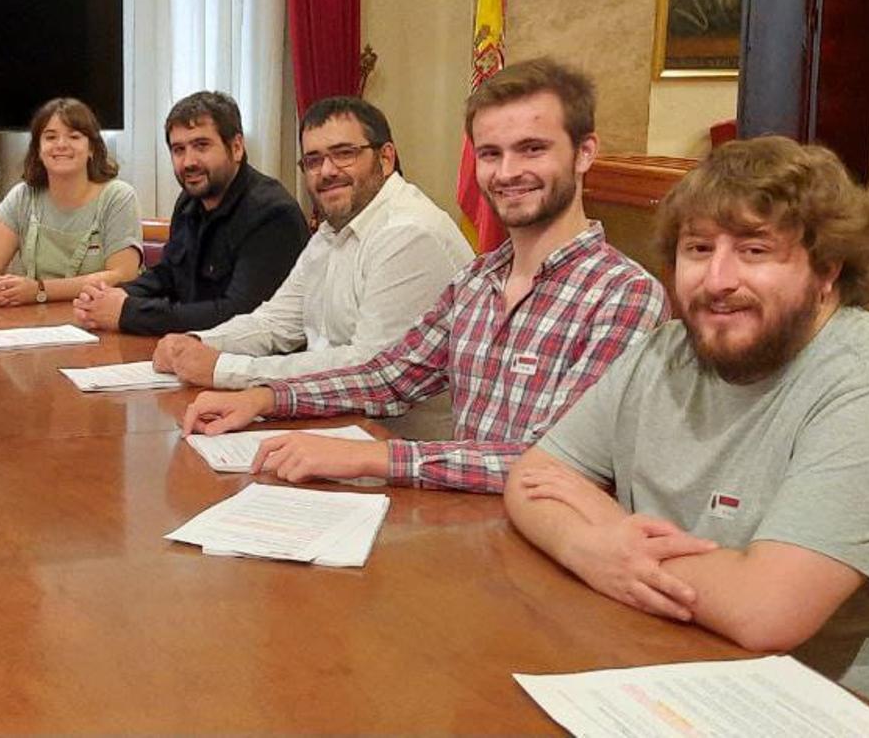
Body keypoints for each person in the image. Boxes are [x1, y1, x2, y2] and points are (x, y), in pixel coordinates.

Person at [182, 58, 666, 492]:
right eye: (492, 153)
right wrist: (265, 398)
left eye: (532, 149)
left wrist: (374, 457)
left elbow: (549, 462)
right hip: (461, 527)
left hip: (548, 557)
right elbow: (388, 378)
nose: (507, 171)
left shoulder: (624, 295)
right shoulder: (477, 281)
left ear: (584, 153)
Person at [505, 136, 869, 694]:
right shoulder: (662, 350)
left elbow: (765, 612)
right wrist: (590, 549)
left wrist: (606, 529)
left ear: (826, 271)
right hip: (647, 667)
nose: (718, 281)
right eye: (699, 249)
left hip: (810, 701)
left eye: (754, 250)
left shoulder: (857, 380)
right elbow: (531, 479)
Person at [152, 96, 471, 387]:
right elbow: (276, 322)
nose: (327, 171)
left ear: (386, 159)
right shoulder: (334, 228)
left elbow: (369, 368)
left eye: (344, 154)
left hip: (396, 440)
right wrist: (196, 342)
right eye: (314, 161)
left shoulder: (409, 233)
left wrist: (224, 369)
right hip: (334, 419)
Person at [70, 91, 307, 334]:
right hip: (189, 352)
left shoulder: (273, 214)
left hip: (251, 363)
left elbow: (240, 316)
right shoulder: (189, 202)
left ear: (236, 148)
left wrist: (128, 312)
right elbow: (169, 275)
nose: (188, 162)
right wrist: (113, 296)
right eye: (178, 149)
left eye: (201, 146)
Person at [0, 97, 142, 305]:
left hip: (97, 320)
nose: (61, 145)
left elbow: (123, 276)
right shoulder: (23, 197)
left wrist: (40, 291)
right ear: (38, 150)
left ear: (92, 149)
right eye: (50, 137)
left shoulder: (118, 197)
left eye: (74, 136)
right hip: (33, 322)